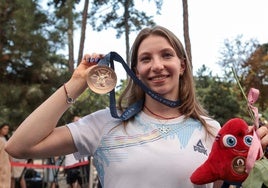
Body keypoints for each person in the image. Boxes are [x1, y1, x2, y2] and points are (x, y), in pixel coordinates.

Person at [5, 26, 268, 188]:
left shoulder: (211, 129)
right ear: (136, 72)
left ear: (182, 65)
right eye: (145, 59)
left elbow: (227, 181)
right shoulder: (105, 123)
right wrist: (76, 84)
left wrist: (253, 161)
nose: (156, 65)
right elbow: (19, 147)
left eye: (166, 55)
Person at [64, 116, 90, 188]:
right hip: (71, 163)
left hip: (83, 162)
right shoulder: (68, 132)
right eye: (76, 120)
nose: (77, 122)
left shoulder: (85, 132)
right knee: (72, 183)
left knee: (84, 183)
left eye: (79, 120)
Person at [0, 123, 11, 187]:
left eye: (7, 129)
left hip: (6, 163)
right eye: (5, 128)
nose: (6, 130)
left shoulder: (7, 139)